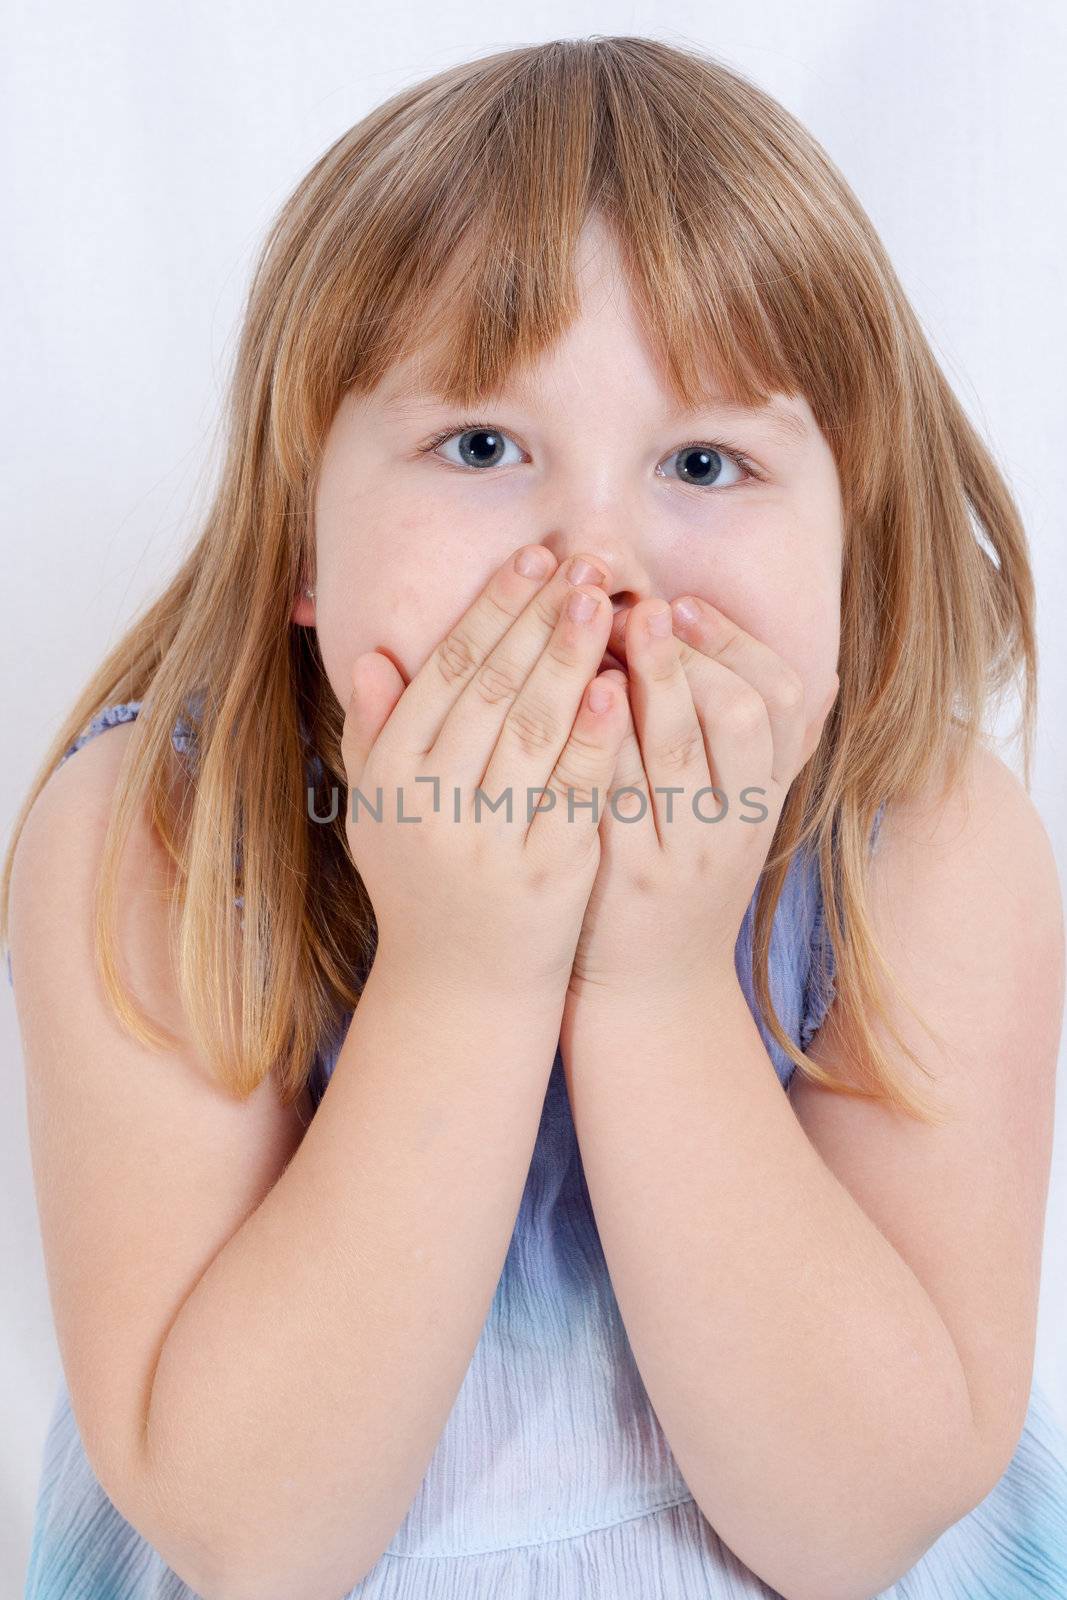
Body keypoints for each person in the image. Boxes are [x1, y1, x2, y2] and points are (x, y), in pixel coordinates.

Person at [3, 34, 1066, 1600]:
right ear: (304, 533)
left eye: (706, 460)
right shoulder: (156, 844)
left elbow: (858, 1529)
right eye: (485, 447)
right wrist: (465, 971)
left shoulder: (930, 845)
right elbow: (252, 1539)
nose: (600, 559)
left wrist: (653, 979)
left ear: (854, 547)